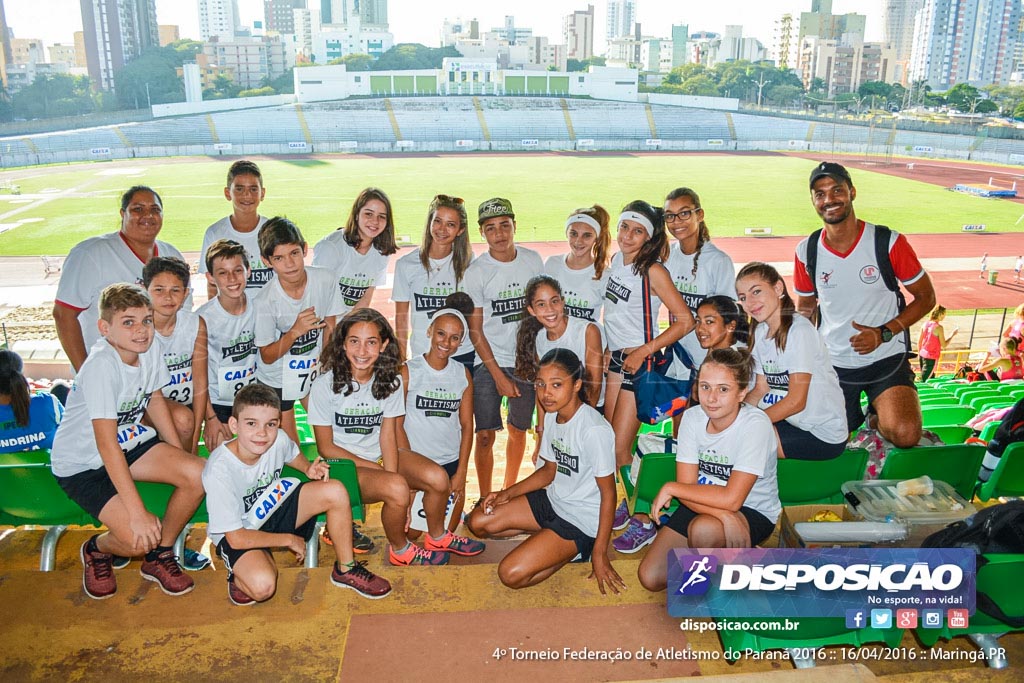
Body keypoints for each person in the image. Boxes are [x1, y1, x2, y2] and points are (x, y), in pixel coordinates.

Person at [50, 284, 206, 600]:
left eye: (147, 320)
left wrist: (177, 454)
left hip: (127, 443)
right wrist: (136, 511)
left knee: (199, 473)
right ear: (105, 328)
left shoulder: (147, 351)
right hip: (83, 463)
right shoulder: (101, 366)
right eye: (128, 322)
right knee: (138, 538)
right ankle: (97, 549)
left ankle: (159, 556)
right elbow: (106, 445)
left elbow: (155, 400)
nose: (141, 330)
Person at [309, 309, 481, 566]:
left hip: (379, 459)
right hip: (343, 466)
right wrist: (386, 475)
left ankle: (437, 535)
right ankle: (400, 550)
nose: (362, 351)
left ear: (383, 345)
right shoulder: (325, 385)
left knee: (438, 477)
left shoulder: (390, 382)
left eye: (371, 342)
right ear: (343, 344)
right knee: (397, 487)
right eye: (354, 341)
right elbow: (327, 447)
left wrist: (390, 471)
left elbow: (389, 437)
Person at [202, 383, 392, 605]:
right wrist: (288, 540)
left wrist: (307, 468)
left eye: (270, 424)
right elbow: (236, 538)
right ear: (234, 425)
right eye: (251, 424)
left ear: (278, 424)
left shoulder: (278, 440)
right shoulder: (219, 469)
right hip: (239, 533)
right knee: (263, 587)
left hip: (272, 508)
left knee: (335, 490)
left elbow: (292, 455)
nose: (262, 433)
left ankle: (346, 569)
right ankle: (241, 573)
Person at [795, 161, 935, 448]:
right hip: (834, 363)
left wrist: (884, 332)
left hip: (885, 357)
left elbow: (926, 298)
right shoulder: (806, 250)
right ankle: (867, 418)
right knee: (825, 441)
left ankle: (877, 415)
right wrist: (804, 355)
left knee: (906, 434)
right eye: (819, 194)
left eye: (836, 190)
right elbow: (806, 308)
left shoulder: (887, 242)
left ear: (852, 192)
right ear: (813, 201)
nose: (829, 199)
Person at [467, 349, 624, 593]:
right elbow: (549, 471)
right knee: (477, 521)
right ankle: (551, 540)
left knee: (510, 574)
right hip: (552, 500)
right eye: (540, 384)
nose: (546, 393)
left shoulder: (594, 430)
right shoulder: (552, 415)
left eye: (556, 385)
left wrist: (600, 552)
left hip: (580, 520)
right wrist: (507, 493)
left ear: (576, 385)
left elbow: (609, 495)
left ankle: (577, 549)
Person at [637, 348, 780, 592]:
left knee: (703, 530)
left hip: (751, 509)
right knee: (650, 577)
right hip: (702, 502)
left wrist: (671, 487)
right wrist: (725, 517)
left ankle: (711, 593)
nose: (711, 398)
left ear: (742, 392)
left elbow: (732, 500)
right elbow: (689, 490)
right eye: (705, 387)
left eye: (723, 389)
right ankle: (737, 562)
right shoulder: (693, 418)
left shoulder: (756, 425)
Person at [603, 200, 694, 554]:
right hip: (615, 361)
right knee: (610, 444)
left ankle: (644, 516)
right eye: (625, 227)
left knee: (620, 448)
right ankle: (625, 505)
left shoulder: (652, 270)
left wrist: (644, 350)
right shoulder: (616, 263)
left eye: (637, 230)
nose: (628, 235)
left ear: (649, 237)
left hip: (637, 365)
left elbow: (684, 320)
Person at [53, 186, 189, 371]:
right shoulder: (90, 253)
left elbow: (182, 316)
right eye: (138, 209)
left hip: (156, 373)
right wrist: (85, 373)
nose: (148, 215)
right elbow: (63, 315)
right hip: (107, 372)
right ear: (122, 213)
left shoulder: (171, 254)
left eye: (155, 210)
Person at [463, 198, 546, 497]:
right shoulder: (476, 272)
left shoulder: (533, 260)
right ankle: (485, 497)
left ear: (514, 226)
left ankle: (507, 491)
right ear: (482, 233)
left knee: (517, 429)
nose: (499, 234)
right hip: (489, 360)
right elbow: (475, 329)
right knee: (484, 435)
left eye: (504, 226)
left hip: (526, 360)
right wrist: (497, 374)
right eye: (491, 228)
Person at [736, 262, 849, 461]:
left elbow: (796, 401)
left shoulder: (799, 331)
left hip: (820, 433)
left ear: (778, 288)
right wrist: (735, 416)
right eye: (743, 298)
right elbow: (761, 389)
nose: (750, 303)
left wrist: (747, 424)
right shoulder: (761, 331)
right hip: (790, 421)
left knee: (739, 446)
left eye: (756, 292)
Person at [253, 217, 344, 446]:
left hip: (312, 366)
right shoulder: (264, 300)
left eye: (294, 253)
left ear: (304, 249)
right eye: (279, 258)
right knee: (289, 446)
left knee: (331, 426)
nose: (290, 264)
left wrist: (326, 361)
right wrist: (294, 332)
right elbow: (267, 355)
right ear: (267, 261)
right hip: (277, 375)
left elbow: (330, 322)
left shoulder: (325, 279)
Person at [397, 298, 479, 536]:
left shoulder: (462, 373)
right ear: (430, 331)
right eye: (441, 334)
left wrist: (462, 472)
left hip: (449, 464)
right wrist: (408, 469)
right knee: (409, 535)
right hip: (417, 466)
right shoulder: (408, 371)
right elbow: (395, 425)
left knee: (445, 534)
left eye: (455, 337)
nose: (447, 342)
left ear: (461, 341)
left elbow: (466, 425)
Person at [392, 194, 475, 366]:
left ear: (460, 230)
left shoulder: (470, 264)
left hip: (462, 355)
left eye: (450, 224)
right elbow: (401, 318)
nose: (442, 229)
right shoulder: (406, 264)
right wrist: (401, 358)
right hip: (423, 354)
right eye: (437, 221)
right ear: (430, 222)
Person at [663, 188, 736, 369]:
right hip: (678, 357)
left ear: (700, 215)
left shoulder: (718, 261)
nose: (677, 221)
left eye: (684, 213)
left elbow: (726, 321)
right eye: (670, 216)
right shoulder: (667, 256)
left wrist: (709, 365)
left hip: (709, 359)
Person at [196, 239, 258, 453]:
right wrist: (210, 417)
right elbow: (196, 374)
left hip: (253, 400)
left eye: (237, 270)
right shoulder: (203, 319)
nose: (232, 279)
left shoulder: (262, 307)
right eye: (222, 273)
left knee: (262, 457)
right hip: (219, 404)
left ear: (248, 271)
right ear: (210, 278)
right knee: (226, 459)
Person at [515, 275, 604, 411]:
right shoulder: (539, 340)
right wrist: (542, 426)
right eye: (541, 304)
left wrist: (580, 422)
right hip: (559, 410)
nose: (550, 309)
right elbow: (542, 387)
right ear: (532, 310)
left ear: (562, 302)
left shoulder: (587, 332)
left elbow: (595, 386)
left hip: (591, 408)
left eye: (554, 301)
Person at [143, 257, 204, 452]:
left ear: (186, 294)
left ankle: (184, 465)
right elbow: (149, 393)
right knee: (182, 420)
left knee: (186, 421)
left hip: (184, 405)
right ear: (145, 290)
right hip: (145, 405)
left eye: (175, 290)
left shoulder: (195, 324)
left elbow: (201, 383)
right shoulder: (138, 330)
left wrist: (196, 437)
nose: (168, 298)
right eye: (159, 290)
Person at [312, 187, 397, 315]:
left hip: (348, 324)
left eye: (381, 216)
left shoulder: (381, 252)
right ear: (357, 214)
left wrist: (349, 328)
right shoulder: (331, 247)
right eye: (368, 214)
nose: (375, 221)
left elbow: (365, 299)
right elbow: (318, 296)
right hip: (321, 320)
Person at [198, 160, 271, 300]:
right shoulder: (215, 233)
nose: (247, 195)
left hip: (271, 315)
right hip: (232, 318)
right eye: (239, 189)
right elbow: (212, 285)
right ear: (227, 193)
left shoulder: (273, 230)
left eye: (253, 189)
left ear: (262, 193)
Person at [543, 205, 612, 325]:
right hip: (552, 342)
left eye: (587, 235)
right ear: (566, 233)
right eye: (573, 234)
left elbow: (612, 319)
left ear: (597, 238)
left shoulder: (604, 274)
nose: (578, 241)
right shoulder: (551, 264)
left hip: (587, 342)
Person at [0, 350, 63, 454]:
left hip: (5, 470)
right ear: (21, 376)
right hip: (48, 469)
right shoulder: (47, 403)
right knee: (61, 389)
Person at [917, 305, 957, 381]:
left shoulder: (925, 324)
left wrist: (919, 354)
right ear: (940, 314)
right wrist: (952, 335)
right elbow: (944, 345)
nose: (945, 316)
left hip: (922, 354)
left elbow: (919, 342)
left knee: (928, 377)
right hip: (931, 357)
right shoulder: (939, 328)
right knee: (925, 381)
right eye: (944, 314)